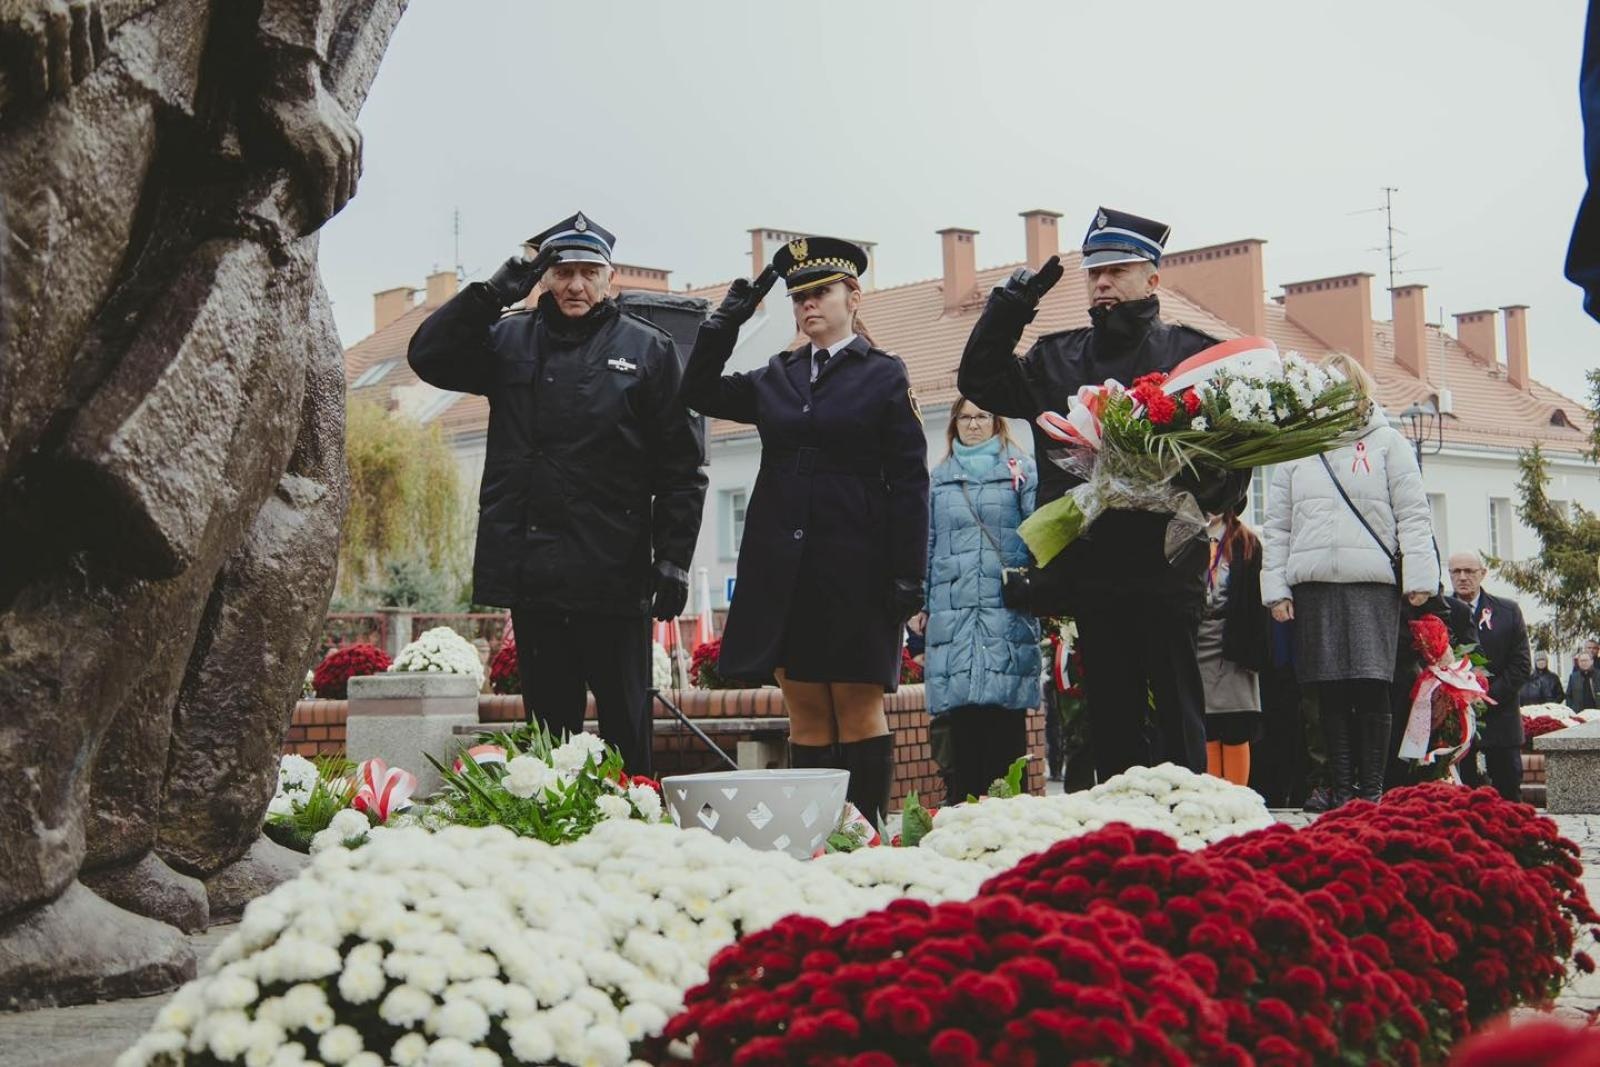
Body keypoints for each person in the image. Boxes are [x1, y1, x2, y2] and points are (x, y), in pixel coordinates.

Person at [407, 213, 707, 775]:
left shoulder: (647, 349)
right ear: (543, 277)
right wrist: (496, 289)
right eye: (563, 271)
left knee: (626, 730)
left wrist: (673, 559)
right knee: (548, 738)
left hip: (614, 572)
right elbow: (429, 354)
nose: (575, 285)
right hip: (535, 571)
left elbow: (682, 468)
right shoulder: (508, 338)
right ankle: (553, 826)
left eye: (589, 272)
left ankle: (635, 817)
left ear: (609, 278)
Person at [956, 206, 1248, 781]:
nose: (1102, 283)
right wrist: (1011, 306)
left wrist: (1199, 491)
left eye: (1117, 270)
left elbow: (1233, 454)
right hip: (1095, 567)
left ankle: (1191, 819)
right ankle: (1122, 826)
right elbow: (979, 380)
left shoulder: (1192, 354)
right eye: (1094, 273)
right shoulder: (1058, 357)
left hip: (1167, 563)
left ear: (1153, 278)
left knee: (1178, 710)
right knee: (1112, 718)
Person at [679, 237, 929, 826]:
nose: (808, 305)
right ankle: (816, 836)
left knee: (858, 710)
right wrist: (728, 319)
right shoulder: (778, 375)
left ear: (853, 296)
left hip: (857, 568)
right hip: (783, 572)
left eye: (820, 292)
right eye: (798, 297)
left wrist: (908, 576)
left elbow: (910, 482)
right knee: (807, 714)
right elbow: (697, 390)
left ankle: (864, 835)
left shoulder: (884, 375)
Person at [1261, 353, 1439, 807]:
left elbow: (1413, 513)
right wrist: (1276, 590)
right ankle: (1341, 790)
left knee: (1372, 685)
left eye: (1341, 385)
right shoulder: (1297, 447)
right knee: (1328, 690)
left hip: (1371, 584)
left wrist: (1419, 577)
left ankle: (1372, 789)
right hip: (1314, 584)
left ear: (1358, 389)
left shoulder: (1388, 443)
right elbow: (1277, 525)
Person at [916, 397, 1040, 803]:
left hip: (1005, 609)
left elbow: (1037, 535)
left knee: (1005, 718)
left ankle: (1009, 814)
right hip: (953, 612)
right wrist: (921, 603)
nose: (973, 425)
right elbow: (927, 544)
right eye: (965, 417)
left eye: (982, 416)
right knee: (962, 719)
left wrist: (1037, 585)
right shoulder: (939, 480)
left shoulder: (1021, 470)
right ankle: (964, 808)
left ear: (996, 421)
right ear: (954, 424)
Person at [1445, 552, 1531, 801]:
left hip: (1501, 722)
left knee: (1509, 798)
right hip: (1455, 726)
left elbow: (1521, 665)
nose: (1463, 577)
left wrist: (1484, 697)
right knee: (1462, 801)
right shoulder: (1441, 613)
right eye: (1456, 571)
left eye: (1469, 571)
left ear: (1483, 573)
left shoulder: (1507, 611)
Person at [1199, 511, 1267, 787]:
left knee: (1236, 725)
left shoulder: (1246, 541)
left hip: (1235, 639)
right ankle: (1211, 798)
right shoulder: (1185, 536)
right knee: (1205, 724)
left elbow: (1256, 602)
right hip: (1197, 638)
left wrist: (1254, 652)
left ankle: (1236, 798)